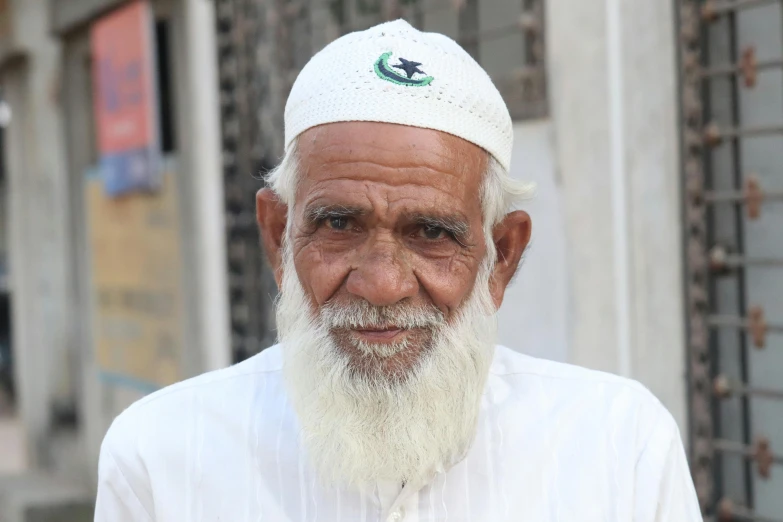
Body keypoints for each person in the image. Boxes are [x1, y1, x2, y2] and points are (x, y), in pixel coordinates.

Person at [95, 19, 702, 522]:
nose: (382, 284)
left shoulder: (620, 447)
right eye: (338, 225)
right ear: (279, 238)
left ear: (502, 256)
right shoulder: (160, 456)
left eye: (432, 233)